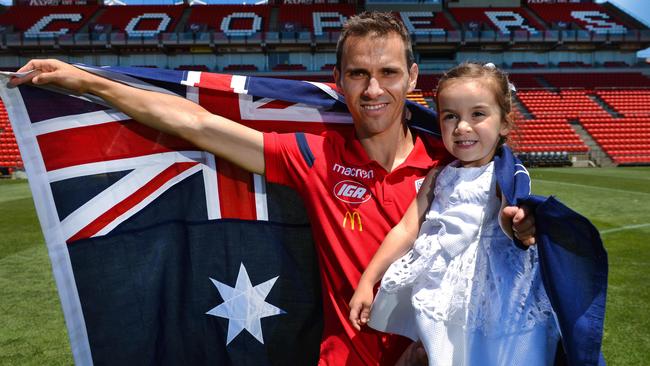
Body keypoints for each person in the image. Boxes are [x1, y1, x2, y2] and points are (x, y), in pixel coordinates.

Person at [10, 12, 535, 366]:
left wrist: (527, 229)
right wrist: (84, 81)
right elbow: (196, 125)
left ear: (411, 77)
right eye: (358, 74)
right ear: (338, 78)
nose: (374, 90)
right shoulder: (312, 156)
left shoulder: (452, 163)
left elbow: (511, 242)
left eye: (388, 73)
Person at [349, 62, 559, 366]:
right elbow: (406, 229)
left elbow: (514, 215)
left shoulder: (507, 175)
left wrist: (522, 225)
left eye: (477, 114)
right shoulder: (439, 176)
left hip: (491, 299)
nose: (462, 127)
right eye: (450, 116)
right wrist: (368, 281)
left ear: (504, 123)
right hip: (443, 293)